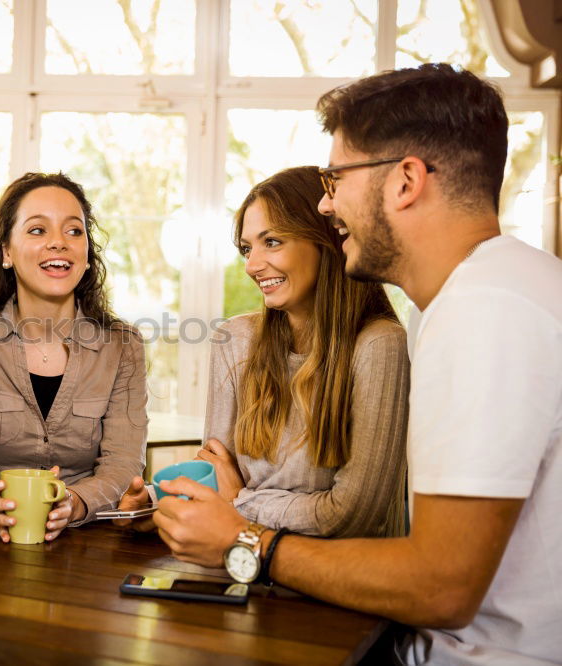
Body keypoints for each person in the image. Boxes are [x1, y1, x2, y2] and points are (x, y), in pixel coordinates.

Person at [153, 63, 561, 664]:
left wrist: (247, 540)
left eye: (335, 176)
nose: (326, 201)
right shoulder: (487, 293)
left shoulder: (485, 310)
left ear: (405, 181)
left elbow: (440, 587)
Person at [121, 166, 409, 538]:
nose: (252, 265)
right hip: (242, 564)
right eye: (246, 248)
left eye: (272, 241)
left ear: (325, 239)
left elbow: (351, 515)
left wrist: (241, 501)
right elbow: (214, 479)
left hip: (335, 580)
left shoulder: (379, 345)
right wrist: (158, 504)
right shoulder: (237, 340)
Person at [0, 172, 148, 542]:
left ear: (87, 255)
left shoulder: (124, 345)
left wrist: (78, 503)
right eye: (37, 230)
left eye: (74, 231)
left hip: (91, 540)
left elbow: (123, 461)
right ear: (6, 251)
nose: (58, 243)